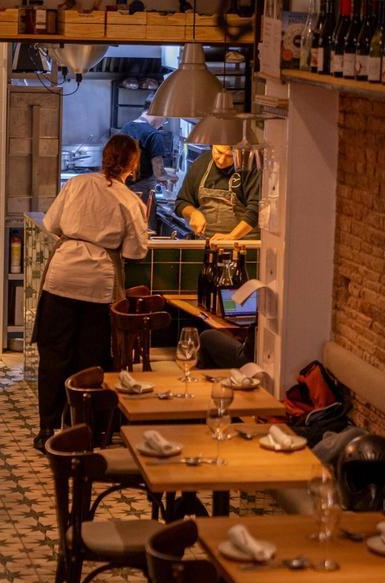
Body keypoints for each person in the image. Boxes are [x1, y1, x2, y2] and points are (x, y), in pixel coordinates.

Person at [32, 135, 151, 450]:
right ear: (133, 164)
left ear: (105, 157)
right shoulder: (130, 201)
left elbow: (51, 223)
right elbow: (136, 251)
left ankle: (46, 429)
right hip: (97, 286)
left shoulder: (77, 183)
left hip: (61, 276)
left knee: (53, 355)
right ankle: (80, 429)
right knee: (88, 361)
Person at [175, 144, 261, 241]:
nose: (221, 160)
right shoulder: (201, 163)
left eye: (230, 156)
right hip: (207, 243)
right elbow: (181, 202)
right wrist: (193, 213)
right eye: (219, 152)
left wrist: (232, 236)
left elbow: (256, 208)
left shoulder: (250, 166)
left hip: (243, 246)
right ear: (213, 145)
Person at [119, 104, 170, 189]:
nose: (162, 125)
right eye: (165, 119)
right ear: (158, 113)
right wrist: (168, 178)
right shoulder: (154, 135)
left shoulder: (126, 127)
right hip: (142, 188)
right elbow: (158, 169)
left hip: (122, 185)